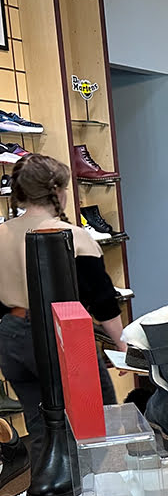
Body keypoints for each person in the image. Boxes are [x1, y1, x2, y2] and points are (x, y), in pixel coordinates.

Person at [0, 154, 125, 462]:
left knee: (40, 423)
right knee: (94, 420)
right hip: (61, 334)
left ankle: (52, 494)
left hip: (11, 336)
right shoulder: (74, 236)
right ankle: (88, 494)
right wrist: (121, 345)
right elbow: (103, 301)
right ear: (57, 191)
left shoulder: (1, 235)